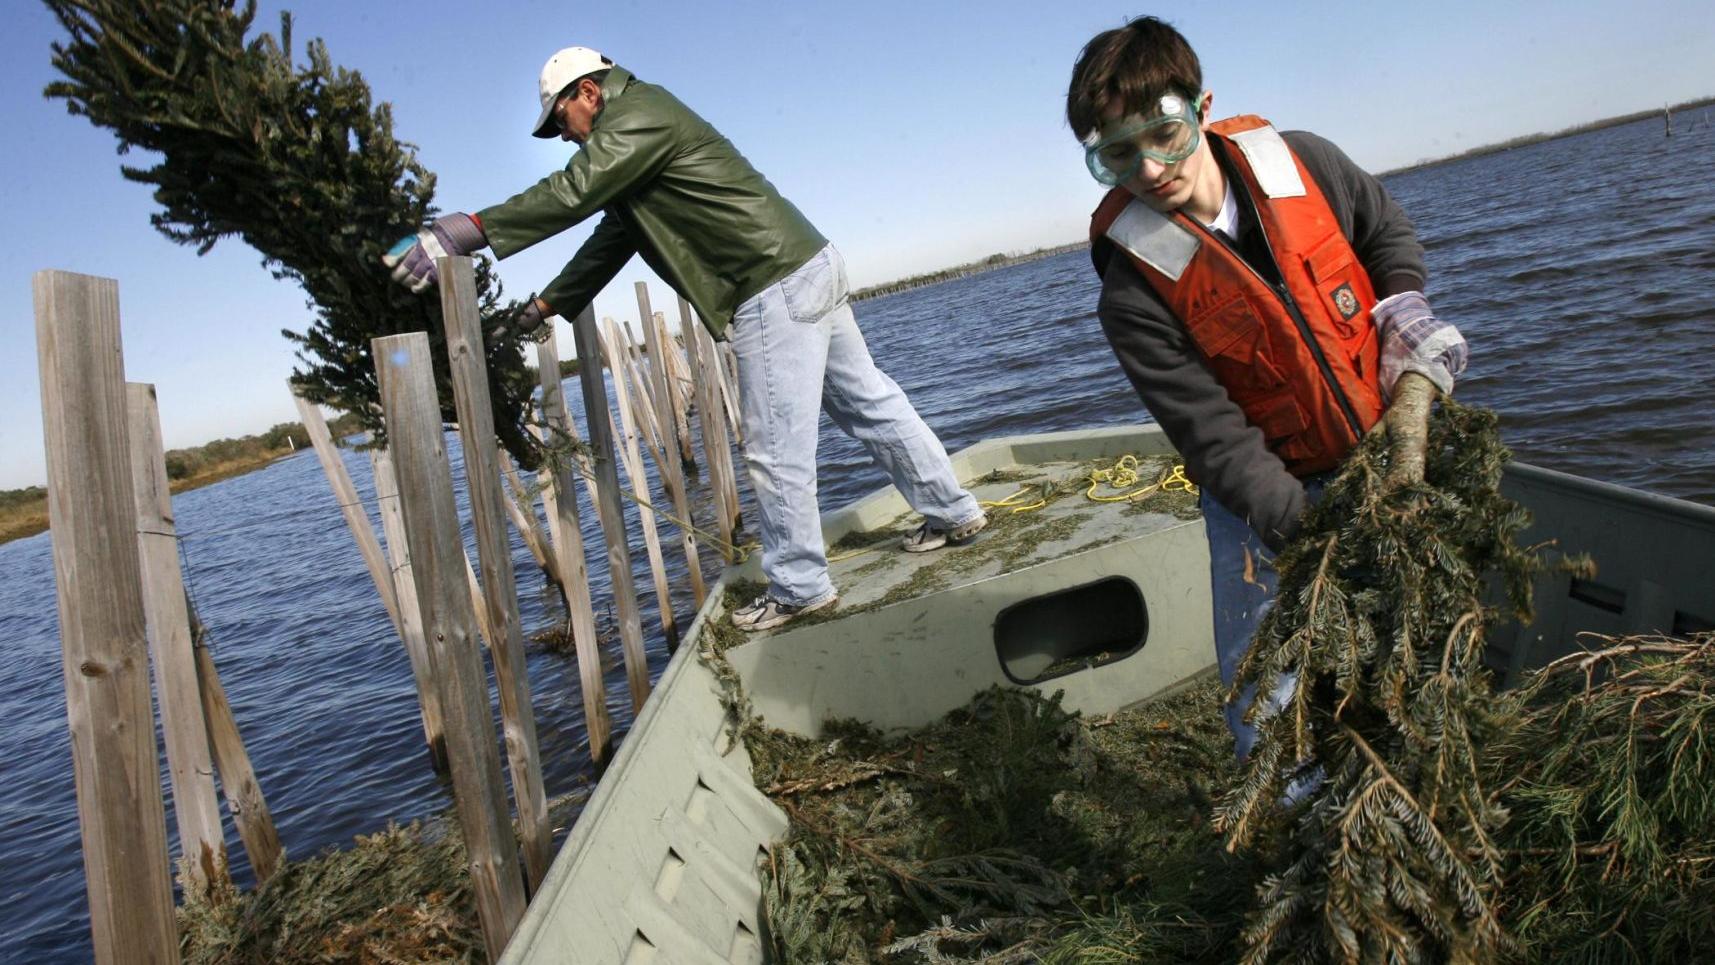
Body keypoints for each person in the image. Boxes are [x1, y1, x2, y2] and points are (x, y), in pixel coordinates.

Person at [383, 47, 986, 632]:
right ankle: (952, 512)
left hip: (767, 282)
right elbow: (613, 237)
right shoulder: (636, 139)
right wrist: (545, 306)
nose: (564, 138)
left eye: (560, 123)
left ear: (588, 92)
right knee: (869, 404)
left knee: (774, 449)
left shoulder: (639, 114)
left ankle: (800, 589)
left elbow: (571, 192)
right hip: (805, 265)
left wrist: (467, 230)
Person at [1066, 18, 1469, 758]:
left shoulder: (1304, 161)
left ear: (1201, 107)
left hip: (1386, 445)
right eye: (1119, 156)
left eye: (1164, 133)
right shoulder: (1131, 293)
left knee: (1417, 631)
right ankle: (1284, 811)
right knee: (1266, 682)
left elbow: (1386, 233)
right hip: (1261, 497)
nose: (1151, 169)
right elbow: (1214, 439)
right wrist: (1315, 534)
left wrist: (1405, 309)